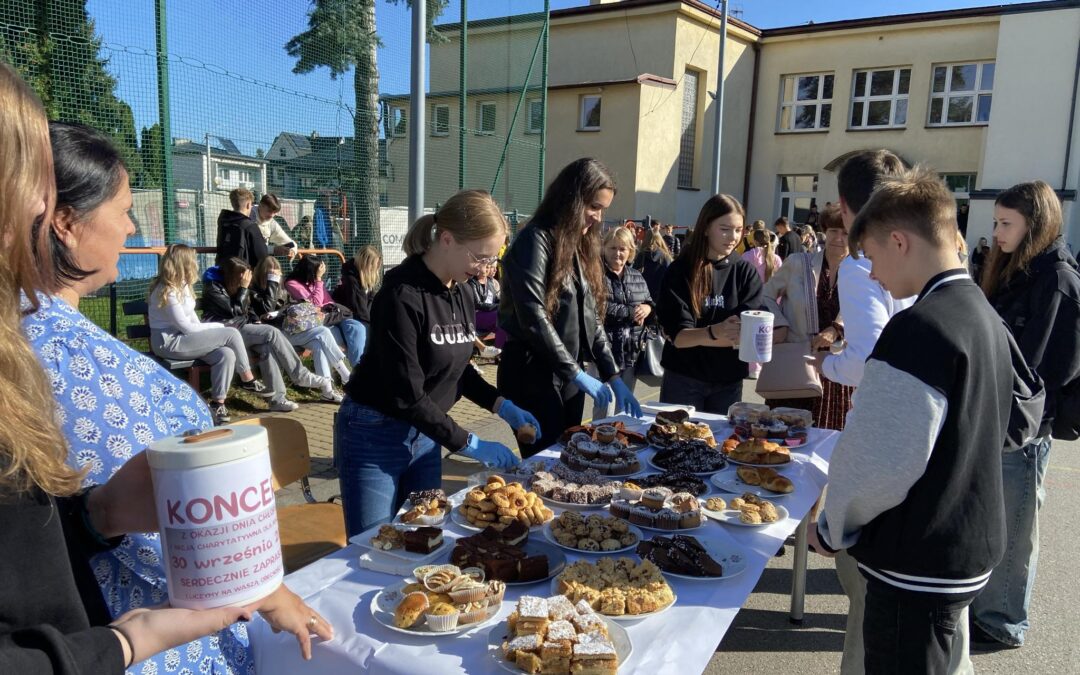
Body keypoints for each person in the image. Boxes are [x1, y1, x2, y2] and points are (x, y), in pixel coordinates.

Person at [0, 65, 329, 674]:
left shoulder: (32, 342)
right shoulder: (59, 356)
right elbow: (176, 530)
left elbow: (56, 524)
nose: (131, 227)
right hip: (162, 639)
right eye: (124, 210)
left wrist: (98, 516)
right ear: (63, 221)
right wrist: (256, 585)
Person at [809, 167, 1015, 674]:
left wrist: (832, 525)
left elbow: (881, 462)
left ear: (899, 241)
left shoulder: (917, 328)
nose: (874, 275)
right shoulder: (984, 313)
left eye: (874, 258)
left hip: (916, 563)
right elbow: (1022, 412)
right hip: (966, 544)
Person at [335, 190, 539, 535]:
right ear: (447, 239)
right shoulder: (401, 296)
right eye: (480, 257)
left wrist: (501, 404)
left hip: (426, 433)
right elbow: (407, 394)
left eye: (493, 259)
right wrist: (468, 442)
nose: (485, 269)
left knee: (425, 536)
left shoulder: (461, 291)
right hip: (374, 433)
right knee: (374, 542)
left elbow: (458, 367)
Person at [971, 181, 1080, 649]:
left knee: (1016, 528)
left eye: (1005, 223)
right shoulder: (1021, 269)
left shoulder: (1056, 278)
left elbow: (1048, 365)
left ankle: (1002, 619)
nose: (996, 232)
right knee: (998, 518)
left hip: (1028, 427)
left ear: (1035, 225)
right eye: (995, 222)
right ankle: (988, 605)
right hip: (1003, 418)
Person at [499, 158, 642, 457]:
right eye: (593, 207)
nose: (598, 217)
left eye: (603, 209)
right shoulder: (535, 239)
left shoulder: (578, 245)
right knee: (546, 464)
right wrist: (576, 373)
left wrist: (612, 376)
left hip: (568, 375)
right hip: (533, 375)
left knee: (569, 457)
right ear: (571, 198)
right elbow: (533, 316)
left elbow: (592, 319)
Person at [657, 194, 763, 413]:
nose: (733, 237)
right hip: (683, 380)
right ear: (705, 227)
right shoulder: (680, 271)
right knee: (677, 442)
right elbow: (679, 338)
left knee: (721, 445)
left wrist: (701, 335)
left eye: (738, 229)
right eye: (724, 229)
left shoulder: (745, 272)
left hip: (728, 382)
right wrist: (716, 332)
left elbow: (743, 335)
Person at [148, 244, 267, 424]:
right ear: (184, 263)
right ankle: (247, 378)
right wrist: (218, 326)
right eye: (193, 260)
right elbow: (187, 328)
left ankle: (217, 403)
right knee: (231, 333)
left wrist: (211, 329)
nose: (196, 263)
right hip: (169, 342)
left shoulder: (184, 285)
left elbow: (192, 319)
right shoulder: (167, 290)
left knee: (226, 354)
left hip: (184, 338)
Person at [201, 257, 342, 408]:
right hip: (226, 333)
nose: (247, 279)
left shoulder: (235, 284)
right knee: (271, 333)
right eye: (244, 276)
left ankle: (277, 400)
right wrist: (244, 289)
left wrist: (255, 318)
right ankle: (300, 376)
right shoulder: (214, 287)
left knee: (267, 348)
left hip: (243, 328)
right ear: (234, 275)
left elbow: (247, 310)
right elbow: (234, 310)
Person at [762, 206, 853, 430]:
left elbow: (868, 311)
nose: (839, 238)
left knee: (830, 437)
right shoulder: (797, 263)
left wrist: (836, 328)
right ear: (824, 231)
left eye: (846, 233)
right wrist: (780, 324)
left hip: (837, 368)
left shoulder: (863, 271)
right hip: (796, 363)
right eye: (833, 231)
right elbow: (766, 295)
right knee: (785, 434)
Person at [252, 255, 353, 386]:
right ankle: (346, 375)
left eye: (276, 272)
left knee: (319, 343)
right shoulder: (258, 290)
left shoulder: (282, 288)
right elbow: (267, 308)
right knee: (323, 332)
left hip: (293, 328)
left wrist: (285, 309)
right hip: (278, 333)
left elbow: (303, 305)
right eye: (270, 274)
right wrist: (272, 284)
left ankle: (327, 389)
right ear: (262, 274)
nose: (275, 276)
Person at [594, 227, 654, 420]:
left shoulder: (636, 275)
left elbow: (650, 302)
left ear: (630, 251)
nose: (617, 253)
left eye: (622, 248)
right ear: (604, 249)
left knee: (624, 407)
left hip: (631, 352)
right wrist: (630, 313)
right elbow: (597, 308)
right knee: (604, 408)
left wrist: (647, 309)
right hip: (605, 351)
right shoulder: (595, 274)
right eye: (612, 248)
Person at [285, 254, 367, 366]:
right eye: (318, 271)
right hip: (316, 320)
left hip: (332, 315)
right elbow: (314, 305)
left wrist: (318, 285)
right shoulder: (292, 284)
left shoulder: (315, 282)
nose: (320, 275)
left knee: (357, 327)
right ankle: (348, 372)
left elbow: (329, 301)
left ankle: (358, 368)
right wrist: (318, 280)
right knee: (337, 335)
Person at [742, 229, 781, 380]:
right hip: (770, 300)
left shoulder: (748, 255)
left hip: (752, 299)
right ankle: (763, 364)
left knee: (751, 333)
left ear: (755, 241)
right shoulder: (776, 258)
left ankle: (753, 367)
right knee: (765, 335)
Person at [215, 187, 268, 268]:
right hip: (243, 274)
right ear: (248, 205)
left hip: (223, 270)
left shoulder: (223, 222)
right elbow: (262, 256)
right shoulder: (250, 226)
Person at [332, 244, 381, 328]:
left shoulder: (364, 278)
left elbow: (371, 301)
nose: (376, 268)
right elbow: (359, 312)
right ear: (366, 264)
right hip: (350, 320)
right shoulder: (352, 281)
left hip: (360, 318)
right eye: (374, 264)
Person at [467, 259, 503, 358]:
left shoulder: (490, 282)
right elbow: (478, 304)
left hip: (489, 315)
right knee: (500, 315)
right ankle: (495, 349)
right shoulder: (472, 282)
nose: (488, 269)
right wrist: (497, 307)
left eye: (489, 267)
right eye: (486, 267)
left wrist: (504, 304)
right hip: (477, 315)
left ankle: (499, 351)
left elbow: (496, 299)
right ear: (479, 267)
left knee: (506, 318)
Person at [633, 228, 673, 301]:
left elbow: (633, 277)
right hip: (661, 298)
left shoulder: (641, 255)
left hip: (642, 297)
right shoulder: (666, 257)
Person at [254, 192, 297, 258]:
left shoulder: (271, 223)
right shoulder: (248, 217)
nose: (272, 215)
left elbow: (290, 243)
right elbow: (249, 246)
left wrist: (292, 251)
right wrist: (273, 250)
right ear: (260, 205)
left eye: (274, 212)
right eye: (269, 211)